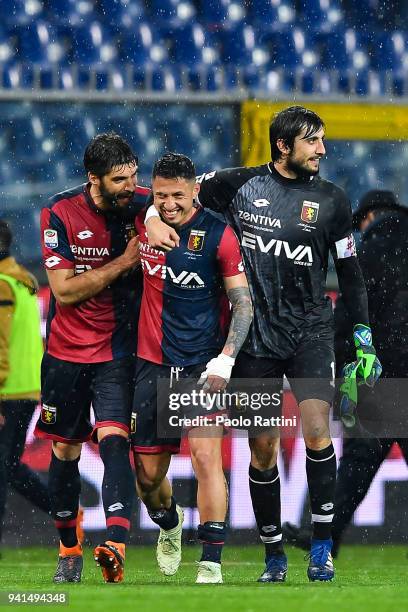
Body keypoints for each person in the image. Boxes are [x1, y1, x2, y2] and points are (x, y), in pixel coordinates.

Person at [143, 106, 381, 582]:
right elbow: (175, 195)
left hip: (311, 331)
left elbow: (350, 276)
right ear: (283, 146)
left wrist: (363, 339)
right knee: (264, 449)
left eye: (322, 140)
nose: (323, 149)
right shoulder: (238, 185)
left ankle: (321, 547)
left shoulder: (333, 200)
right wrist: (151, 215)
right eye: (313, 141)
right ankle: (274, 554)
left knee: (316, 431)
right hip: (256, 339)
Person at [132, 152, 252, 584]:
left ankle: (211, 561)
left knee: (206, 457)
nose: (168, 204)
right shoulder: (142, 216)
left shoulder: (219, 235)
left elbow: (242, 303)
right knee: (147, 478)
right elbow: (122, 200)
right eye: (159, 195)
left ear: (195, 190)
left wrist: (226, 358)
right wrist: (147, 214)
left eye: (177, 195)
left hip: (202, 366)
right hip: (151, 364)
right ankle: (169, 523)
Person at [36, 133, 146, 584]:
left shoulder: (143, 206)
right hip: (64, 353)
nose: (130, 185)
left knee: (116, 440)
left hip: (118, 350)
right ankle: (68, 549)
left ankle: (116, 545)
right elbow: (62, 290)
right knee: (65, 448)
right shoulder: (59, 212)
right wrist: (123, 263)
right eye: (120, 179)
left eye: (134, 175)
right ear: (93, 179)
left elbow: (193, 197)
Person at [283, 189, 408, 557]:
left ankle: (325, 534)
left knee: (358, 460)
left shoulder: (367, 252)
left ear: (368, 218)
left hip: (379, 373)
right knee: (360, 459)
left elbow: (351, 312)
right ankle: (325, 534)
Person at [0, 220, 51, 548]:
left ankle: (63, 509)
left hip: (8, 389)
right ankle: (63, 510)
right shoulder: (22, 281)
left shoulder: (3, 284)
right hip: (25, 387)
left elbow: (0, 344)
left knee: (4, 468)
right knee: (8, 465)